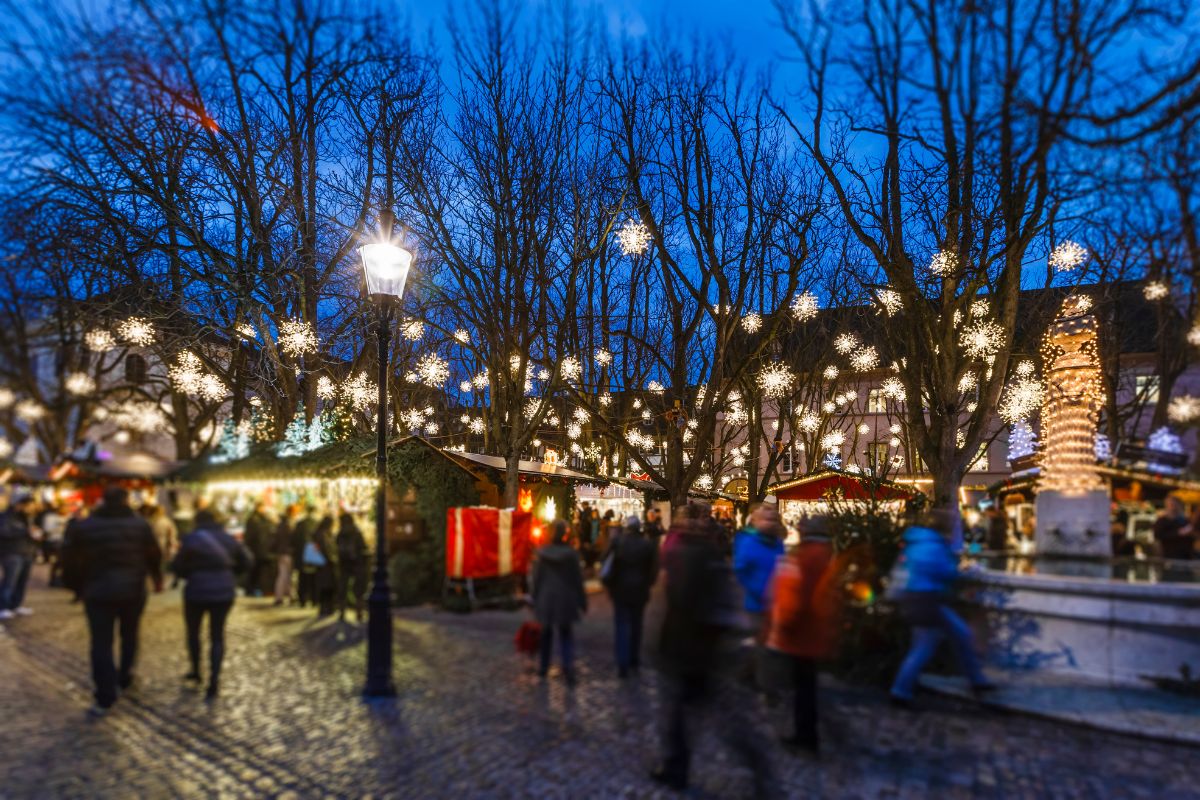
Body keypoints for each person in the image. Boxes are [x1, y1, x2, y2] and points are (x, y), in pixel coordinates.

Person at [652, 501, 773, 795]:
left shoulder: (689, 554)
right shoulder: (710, 553)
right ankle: (755, 768)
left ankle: (679, 769)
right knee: (711, 718)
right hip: (704, 648)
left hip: (690, 649)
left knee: (695, 717)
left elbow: (679, 603)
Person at [60, 487, 163, 716]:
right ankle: (125, 675)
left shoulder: (86, 526)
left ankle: (105, 694)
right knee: (130, 634)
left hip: (98, 591)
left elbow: (69, 559)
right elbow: (154, 554)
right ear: (126, 501)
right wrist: (156, 579)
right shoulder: (140, 524)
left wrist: (78, 588)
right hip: (133, 590)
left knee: (100, 642)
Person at [889, 509, 995, 707]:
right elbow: (945, 572)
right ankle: (900, 691)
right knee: (930, 645)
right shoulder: (934, 546)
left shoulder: (916, 542)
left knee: (943, 639)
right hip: (928, 600)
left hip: (914, 598)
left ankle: (976, 680)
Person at [764, 515, 844, 755]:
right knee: (806, 685)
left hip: (801, 631)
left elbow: (792, 597)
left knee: (802, 688)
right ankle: (808, 734)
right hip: (817, 628)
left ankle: (806, 737)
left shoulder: (804, 556)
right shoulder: (829, 553)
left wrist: (783, 625)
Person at [172, 509, 251, 700]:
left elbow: (178, 566)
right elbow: (247, 561)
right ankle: (214, 680)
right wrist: (230, 573)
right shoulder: (228, 538)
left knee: (193, 632)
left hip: (196, 591)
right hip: (223, 592)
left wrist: (190, 573)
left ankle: (197, 670)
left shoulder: (191, 539)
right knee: (217, 635)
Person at [531, 519, 587, 685]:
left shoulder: (543, 554)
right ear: (565, 534)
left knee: (546, 634)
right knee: (565, 634)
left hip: (547, 598)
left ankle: (543, 666)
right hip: (565, 597)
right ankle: (568, 667)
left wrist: (535, 597)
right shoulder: (571, 555)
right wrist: (581, 600)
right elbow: (577, 579)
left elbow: (537, 579)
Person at [602, 515, 659, 678]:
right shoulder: (647, 545)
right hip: (639, 590)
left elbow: (606, 562)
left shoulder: (618, 542)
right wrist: (648, 583)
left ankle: (622, 662)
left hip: (620, 590)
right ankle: (634, 658)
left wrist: (610, 585)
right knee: (636, 625)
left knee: (621, 625)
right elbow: (653, 570)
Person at [733, 506, 786, 636]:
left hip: (776, 604)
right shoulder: (747, 541)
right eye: (767, 519)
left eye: (774, 520)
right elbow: (740, 572)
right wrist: (761, 593)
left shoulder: (778, 542)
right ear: (756, 521)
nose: (772, 523)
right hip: (754, 605)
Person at [0, 493, 38, 620]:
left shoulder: (26, 518)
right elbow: (4, 532)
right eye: (29, 506)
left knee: (21, 581)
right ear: (21, 505)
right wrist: (25, 531)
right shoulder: (7, 516)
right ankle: (3, 607)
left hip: (26, 552)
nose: (32, 508)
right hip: (12, 553)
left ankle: (15, 605)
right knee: (9, 581)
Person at [335, 512, 368, 622]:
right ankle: (359, 613)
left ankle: (342, 613)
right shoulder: (356, 531)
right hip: (356, 563)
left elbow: (336, 545)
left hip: (343, 563)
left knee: (342, 588)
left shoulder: (341, 532)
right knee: (359, 589)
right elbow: (363, 546)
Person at [242, 500, 274, 596]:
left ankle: (254, 589)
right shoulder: (254, 519)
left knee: (257, 571)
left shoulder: (260, 518)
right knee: (254, 571)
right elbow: (252, 536)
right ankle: (251, 590)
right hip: (256, 549)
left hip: (259, 549)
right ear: (258, 508)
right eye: (263, 507)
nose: (264, 509)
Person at [292, 504, 320, 607]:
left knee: (303, 578)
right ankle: (314, 600)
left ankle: (302, 600)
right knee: (314, 578)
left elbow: (294, 539)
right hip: (313, 553)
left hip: (301, 554)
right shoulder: (316, 523)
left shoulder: (300, 524)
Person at [273, 504, 301, 605]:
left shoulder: (280, 524)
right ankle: (290, 596)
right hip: (288, 553)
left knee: (282, 575)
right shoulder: (290, 524)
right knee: (288, 576)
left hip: (281, 552)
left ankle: (280, 596)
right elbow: (293, 539)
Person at [312, 515, 338, 617]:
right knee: (327, 586)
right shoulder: (323, 534)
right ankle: (326, 607)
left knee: (325, 586)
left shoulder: (321, 533)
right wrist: (331, 559)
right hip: (325, 564)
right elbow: (325, 548)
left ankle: (325, 607)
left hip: (322, 564)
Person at [141, 503, 178, 572]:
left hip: (153, 544)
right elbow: (172, 534)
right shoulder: (166, 521)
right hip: (163, 543)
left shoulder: (149, 521)